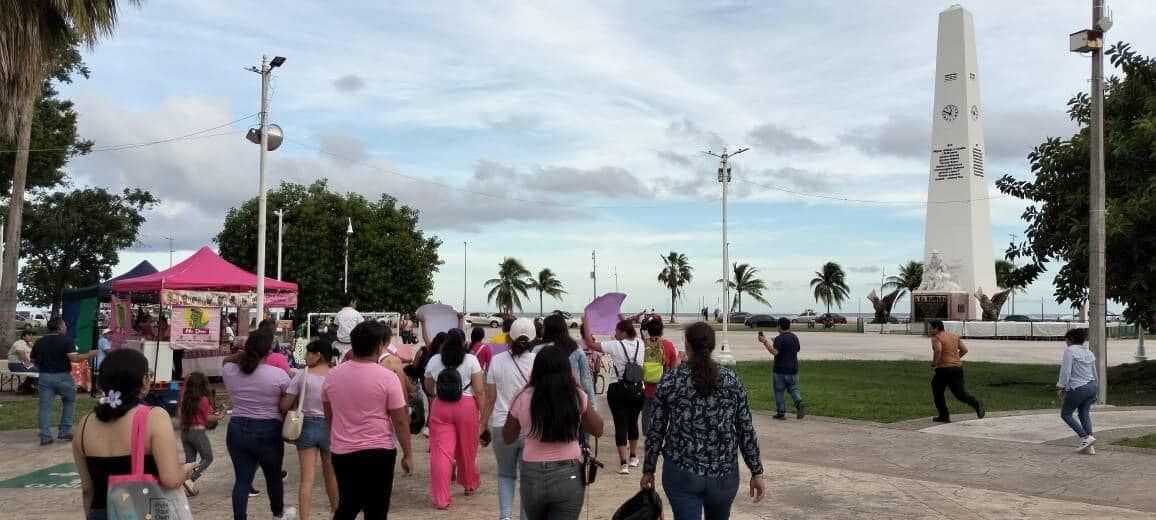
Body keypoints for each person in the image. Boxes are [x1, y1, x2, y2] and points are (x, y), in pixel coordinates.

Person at [641, 322, 765, 519]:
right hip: (723, 474)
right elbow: (745, 429)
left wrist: (649, 469)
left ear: (687, 346)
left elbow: (656, 429)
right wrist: (756, 471)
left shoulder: (671, 380)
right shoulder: (732, 381)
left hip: (682, 471)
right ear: (712, 347)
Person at [72, 349, 194, 520]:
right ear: (143, 381)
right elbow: (170, 479)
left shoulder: (84, 424)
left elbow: (87, 489)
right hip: (143, 512)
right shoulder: (154, 417)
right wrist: (185, 471)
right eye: (149, 375)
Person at [323, 320, 413, 519]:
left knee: (347, 505)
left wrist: (334, 441)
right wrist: (408, 454)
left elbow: (329, 416)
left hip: (343, 451)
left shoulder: (332, 376)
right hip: (379, 452)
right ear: (379, 346)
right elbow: (400, 421)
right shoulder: (388, 377)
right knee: (377, 509)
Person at [503, 345, 605, 520]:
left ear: (537, 370)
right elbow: (598, 429)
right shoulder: (575, 395)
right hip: (568, 472)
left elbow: (508, 437)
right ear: (567, 370)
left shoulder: (523, 397)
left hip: (532, 473)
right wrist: (579, 392)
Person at [222, 329, 294, 520]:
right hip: (269, 429)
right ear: (269, 350)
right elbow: (287, 402)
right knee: (273, 477)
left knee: (242, 480)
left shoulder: (230, 370)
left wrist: (243, 352)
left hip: (237, 428)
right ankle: (277, 515)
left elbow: (227, 361)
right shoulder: (278, 375)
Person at [479, 318, 536, 520]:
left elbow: (490, 398)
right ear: (534, 338)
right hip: (531, 428)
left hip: (502, 425)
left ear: (509, 336)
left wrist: (482, 424)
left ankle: (505, 517)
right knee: (528, 479)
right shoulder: (538, 362)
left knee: (505, 474)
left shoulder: (497, 360)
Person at [423, 328, 485, 509]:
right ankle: (469, 484)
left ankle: (441, 499)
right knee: (467, 449)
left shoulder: (435, 360)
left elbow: (428, 386)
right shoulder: (471, 360)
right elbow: (479, 391)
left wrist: (436, 394)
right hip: (466, 406)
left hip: (440, 407)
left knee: (440, 453)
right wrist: (484, 417)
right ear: (464, 343)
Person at [281, 341, 341, 518]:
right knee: (331, 475)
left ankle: (304, 517)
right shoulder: (336, 375)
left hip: (306, 426)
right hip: (331, 426)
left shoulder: (302, 375)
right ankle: (335, 511)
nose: (305, 357)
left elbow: (285, 404)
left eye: (308, 353)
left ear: (318, 355)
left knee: (306, 479)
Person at [582, 318, 645, 474]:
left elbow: (590, 344)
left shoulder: (616, 346)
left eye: (616, 331)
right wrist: (623, 319)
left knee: (620, 424)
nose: (614, 333)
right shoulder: (640, 344)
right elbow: (632, 331)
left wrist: (587, 322)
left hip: (618, 389)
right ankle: (633, 457)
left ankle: (623, 464)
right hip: (638, 390)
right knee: (633, 422)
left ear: (623, 332)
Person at [32, 318, 97, 445]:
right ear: (60, 327)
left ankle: (45, 437)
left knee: (45, 407)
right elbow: (75, 358)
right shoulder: (66, 340)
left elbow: (33, 360)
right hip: (62, 376)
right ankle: (64, 431)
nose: (66, 327)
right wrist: (90, 354)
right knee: (69, 400)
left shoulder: (39, 341)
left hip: (44, 376)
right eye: (65, 325)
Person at [928, 320, 985, 423]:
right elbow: (964, 350)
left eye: (931, 328)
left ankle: (944, 415)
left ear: (936, 328)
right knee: (960, 394)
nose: (929, 330)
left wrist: (934, 363)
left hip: (944, 369)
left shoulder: (936, 338)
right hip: (957, 368)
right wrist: (955, 359)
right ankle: (976, 404)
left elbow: (938, 350)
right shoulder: (953, 336)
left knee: (937, 391)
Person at [178, 371, 223, 496]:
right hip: (197, 432)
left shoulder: (184, 398)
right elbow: (209, 418)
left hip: (184, 432)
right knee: (208, 458)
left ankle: (186, 487)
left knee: (189, 461)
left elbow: (179, 415)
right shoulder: (202, 399)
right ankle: (189, 480)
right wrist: (219, 416)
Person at [1057, 328, 1098, 454]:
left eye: (1066, 340)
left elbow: (1066, 371)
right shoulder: (1089, 352)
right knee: (1084, 413)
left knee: (1066, 414)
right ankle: (1089, 446)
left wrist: (1060, 386)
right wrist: (1096, 390)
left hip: (1078, 387)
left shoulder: (1070, 351)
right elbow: (1094, 372)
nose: (1066, 342)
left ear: (1071, 339)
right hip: (1092, 386)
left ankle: (1085, 437)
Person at [757, 318, 805, 420]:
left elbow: (775, 352)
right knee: (794, 388)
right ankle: (799, 402)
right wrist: (778, 343)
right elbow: (797, 349)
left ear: (779, 326)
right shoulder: (794, 337)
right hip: (793, 369)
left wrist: (765, 342)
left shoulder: (779, 339)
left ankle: (781, 412)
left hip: (780, 370)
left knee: (779, 391)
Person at [640, 319, 679, 439]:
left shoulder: (642, 344)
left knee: (646, 412)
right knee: (662, 414)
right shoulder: (668, 345)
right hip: (663, 387)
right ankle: (659, 436)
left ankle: (648, 436)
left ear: (648, 330)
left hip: (645, 387)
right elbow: (673, 368)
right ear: (662, 331)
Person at [334, 293, 364, 361]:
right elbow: (362, 326)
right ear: (351, 302)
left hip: (340, 343)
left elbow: (336, 326)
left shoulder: (339, 313)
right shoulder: (356, 313)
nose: (356, 305)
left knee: (340, 361)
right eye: (355, 303)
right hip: (352, 344)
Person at [8, 328, 38, 393]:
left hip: (24, 364)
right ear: (23, 336)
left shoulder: (30, 344)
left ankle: (24, 387)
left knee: (39, 369)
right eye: (29, 335)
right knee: (39, 370)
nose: (31, 336)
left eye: (32, 335)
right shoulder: (20, 342)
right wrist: (30, 364)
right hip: (16, 365)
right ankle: (39, 388)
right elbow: (22, 355)